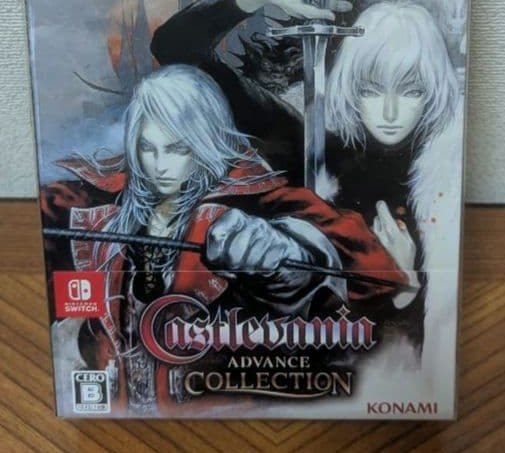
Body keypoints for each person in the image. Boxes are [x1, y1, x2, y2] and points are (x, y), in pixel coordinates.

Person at [42, 64, 410, 413]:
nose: (160, 166)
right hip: (119, 409)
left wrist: (284, 251)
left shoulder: (252, 199)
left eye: (178, 149)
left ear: (204, 143)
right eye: (148, 148)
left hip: (215, 407)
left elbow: (356, 260)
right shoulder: (101, 207)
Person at [150, 0, 463, 352]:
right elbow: (174, 47)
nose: (389, 113)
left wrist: (405, 292)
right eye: (370, 89)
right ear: (350, 86)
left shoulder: (444, 181)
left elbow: (423, 356)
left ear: (433, 91)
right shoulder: (308, 148)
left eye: (410, 90)